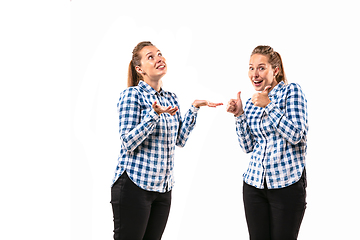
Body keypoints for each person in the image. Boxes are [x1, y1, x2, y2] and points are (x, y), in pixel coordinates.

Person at [111, 41, 222, 240]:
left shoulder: (171, 98)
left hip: (162, 189)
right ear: (139, 69)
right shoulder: (131, 95)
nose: (159, 58)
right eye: (150, 57)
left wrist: (194, 109)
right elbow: (128, 142)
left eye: (160, 54)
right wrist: (153, 115)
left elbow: (179, 139)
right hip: (134, 186)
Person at [226, 45, 308, 240]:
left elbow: (297, 135)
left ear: (275, 70)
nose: (255, 74)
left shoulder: (292, 92)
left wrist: (269, 106)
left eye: (261, 68)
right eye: (251, 68)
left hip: (287, 185)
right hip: (254, 185)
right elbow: (248, 147)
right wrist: (239, 115)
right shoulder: (252, 101)